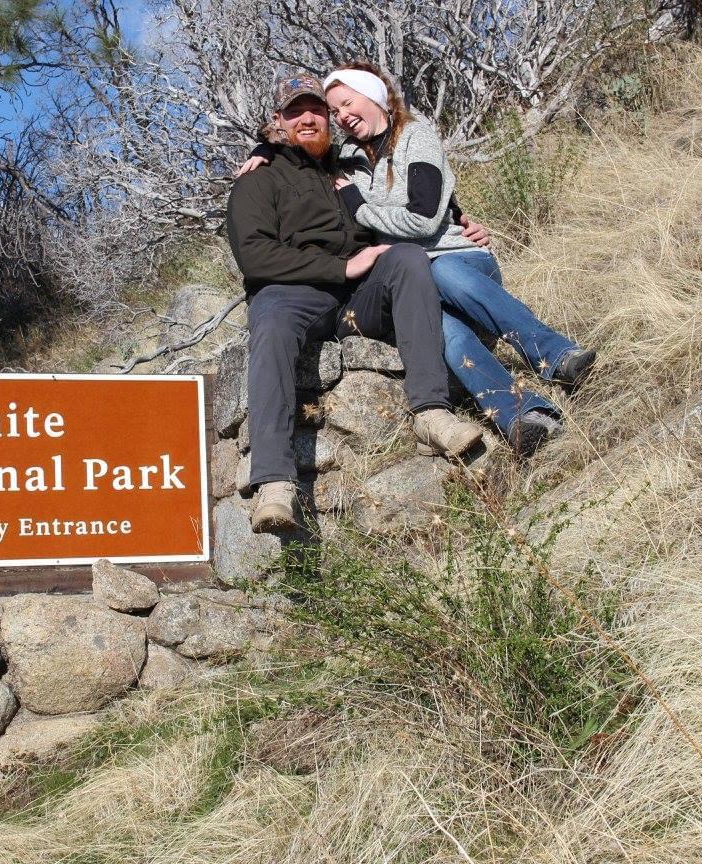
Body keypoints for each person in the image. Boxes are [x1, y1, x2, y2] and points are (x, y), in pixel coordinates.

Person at [240, 63, 596, 456]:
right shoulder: (345, 158)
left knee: (444, 271)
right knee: (447, 332)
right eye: (336, 110)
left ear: (373, 95)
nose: (341, 116)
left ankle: (556, 354)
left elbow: (426, 217)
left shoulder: (415, 137)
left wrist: (360, 206)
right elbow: (300, 141)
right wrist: (265, 150)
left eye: (345, 103)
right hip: (414, 276)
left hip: (455, 260)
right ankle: (521, 414)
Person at [227, 72, 487, 534]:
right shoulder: (258, 179)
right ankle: (275, 483)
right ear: (277, 122)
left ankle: (431, 413)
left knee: (407, 259)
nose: (307, 118)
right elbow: (254, 256)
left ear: (330, 118)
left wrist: (459, 220)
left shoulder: (350, 166)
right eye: (295, 111)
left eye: (316, 110)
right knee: (269, 325)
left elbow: (412, 199)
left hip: (356, 297)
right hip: (293, 294)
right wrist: (339, 269)